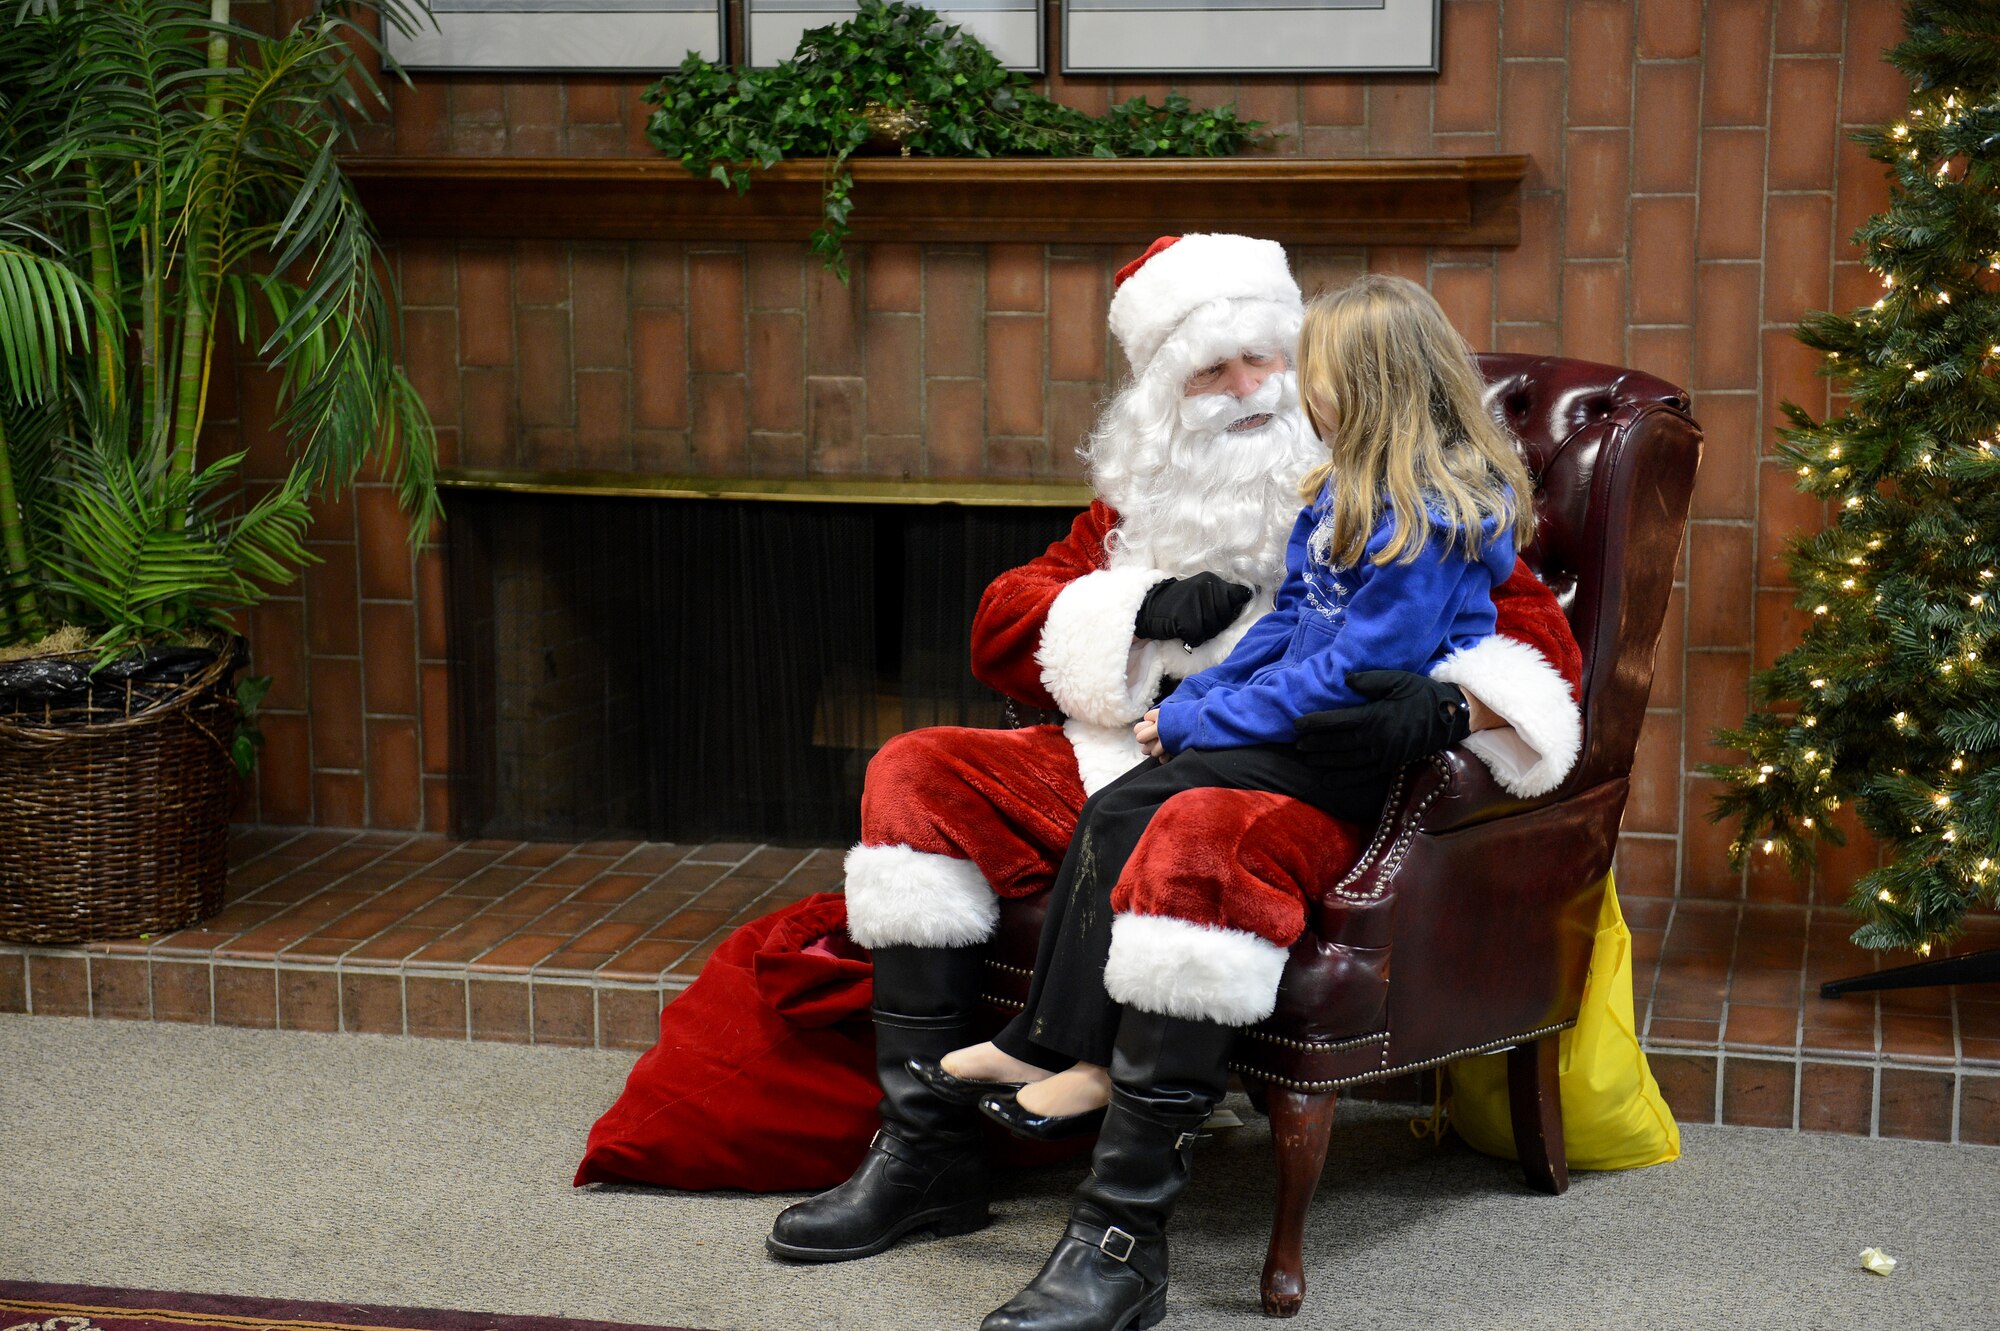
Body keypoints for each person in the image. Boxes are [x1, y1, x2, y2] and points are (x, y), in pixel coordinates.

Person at [763, 235, 1584, 1272]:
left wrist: (1450, 709)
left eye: (1266, 360)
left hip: (1298, 782)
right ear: (1164, 392)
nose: (1247, 392)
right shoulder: (1151, 495)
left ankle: (1116, 1234)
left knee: (1185, 830)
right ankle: (927, 1157)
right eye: (1211, 369)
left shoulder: (1411, 496)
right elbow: (1001, 626)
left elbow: (1538, 657)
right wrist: (1138, 610)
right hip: (1138, 746)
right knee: (915, 768)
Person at [965, 272, 1534, 1331]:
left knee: (1153, 803)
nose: (1293, 393)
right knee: (1121, 807)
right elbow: (1282, 629)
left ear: (1366, 387)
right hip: (1296, 717)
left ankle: (1084, 1084)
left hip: (1352, 747)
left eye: (1310, 376)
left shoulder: (1429, 516)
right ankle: (1056, 1039)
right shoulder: (1337, 489)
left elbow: (1343, 673)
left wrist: (1194, 727)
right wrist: (1202, 691)